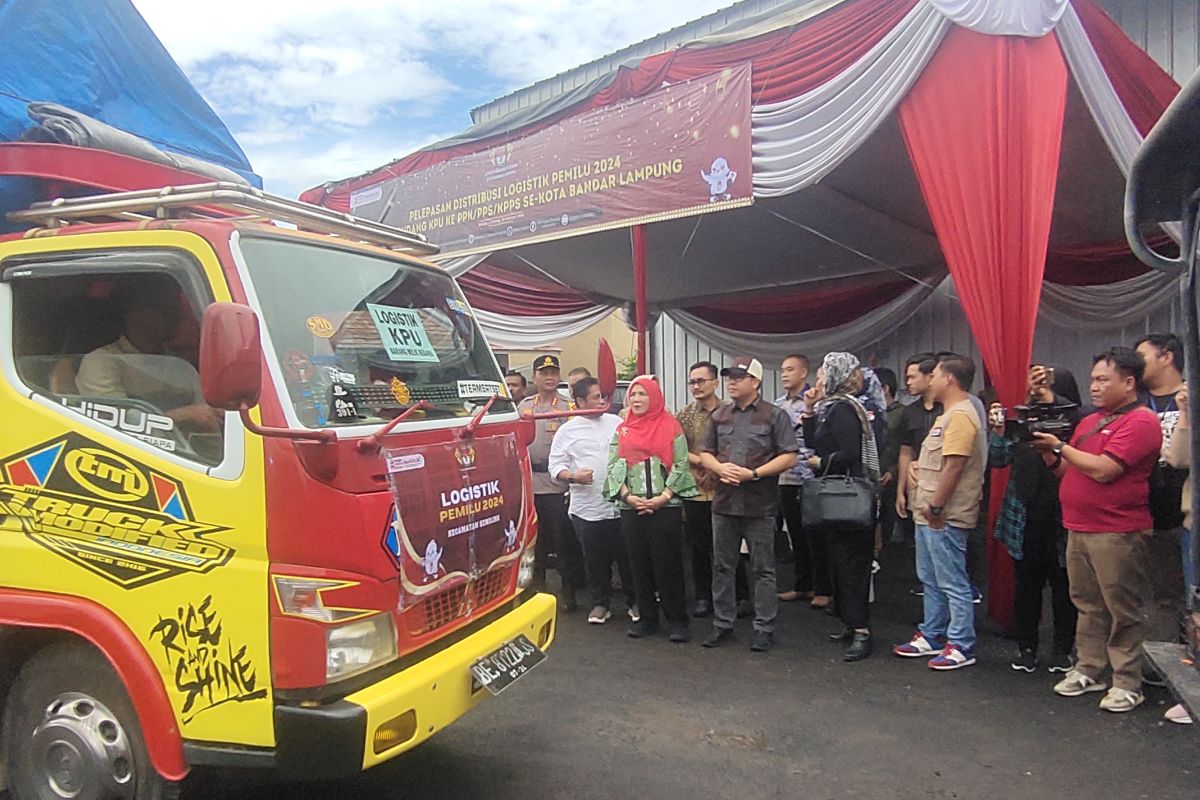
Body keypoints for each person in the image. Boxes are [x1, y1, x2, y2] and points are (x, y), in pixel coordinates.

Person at [1033, 346, 1161, 713]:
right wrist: (1047, 453)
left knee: (1122, 608)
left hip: (1118, 530)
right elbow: (1067, 472)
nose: (1094, 387)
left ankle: (1127, 681)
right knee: (1087, 604)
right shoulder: (1089, 422)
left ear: (1129, 381)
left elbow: (1106, 470)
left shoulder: (1141, 422)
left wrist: (1059, 445)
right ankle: (1089, 668)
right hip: (1079, 526)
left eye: (1104, 380)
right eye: (1092, 380)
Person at [699, 356, 798, 652]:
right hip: (724, 504)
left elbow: (789, 456)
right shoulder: (719, 416)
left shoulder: (774, 415)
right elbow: (705, 452)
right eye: (729, 376)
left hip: (760, 505)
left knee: (763, 569)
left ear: (755, 382)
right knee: (722, 566)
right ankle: (723, 623)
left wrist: (754, 473)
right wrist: (719, 469)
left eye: (739, 377)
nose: (732, 381)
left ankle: (764, 627)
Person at [893, 355, 985, 670]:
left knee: (952, 581)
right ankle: (932, 634)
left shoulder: (960, 415)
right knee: (930, 578)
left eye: (936, 375)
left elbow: (956, 464)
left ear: (949, 379)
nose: (930, 380)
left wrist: (936, 505)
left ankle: (961, 643)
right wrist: (918, 468)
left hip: (943, 514)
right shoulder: (949, 415)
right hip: (928, 512)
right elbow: (939, 460)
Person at [989, 366, 1082, 674]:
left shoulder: (1078, 424)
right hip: (1024, 513)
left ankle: (1061, 650)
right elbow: (998, 459)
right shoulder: (1025, 421)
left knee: (1064, 588)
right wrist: (1003, 432)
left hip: (1063, 515)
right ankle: (1026, 647)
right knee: (1026, 587)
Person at [603, 375, 698, 642]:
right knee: (637, 565)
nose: (636, 400)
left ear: (655, 397)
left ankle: (678, 621)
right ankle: (647, 619)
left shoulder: (671, 427)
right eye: (633, 395)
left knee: (668, 564)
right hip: (632, 507)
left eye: (643, 394)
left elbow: (680, 464)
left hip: (665, 507)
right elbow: (613, 465)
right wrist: (627, 496)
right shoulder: (623, 430)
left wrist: (664, 496)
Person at [800, 354, 880, 662]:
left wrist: (822, 463)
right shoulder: (828, 408)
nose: (818, 379)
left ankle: (862, 630)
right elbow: (813, 443)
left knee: (852, 566)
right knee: (839, 564)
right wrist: (808, 410)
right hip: (834, 498)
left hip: (848, 497)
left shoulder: (845, 409)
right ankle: (850, 622)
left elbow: (848, 453)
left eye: (822, 373)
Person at [76, 277, 221, 433]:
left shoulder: (179, 365)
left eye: (175, 307)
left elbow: (209, 417)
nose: (174, 315)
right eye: (163, 307)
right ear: (132, 311)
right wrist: (185, 415)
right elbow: (116, 426)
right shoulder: (101, 362)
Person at [550, 377, 636, 625]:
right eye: (596, 397)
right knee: (595, 559)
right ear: (579, 401)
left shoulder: (617, 422)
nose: (602, 401)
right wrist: (573, 476)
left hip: (621, 505)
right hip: (587, 508)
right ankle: (600, 604)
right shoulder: (567, 430)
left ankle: (634, 600)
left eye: (603, 396)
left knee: (627, 555)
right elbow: (555, 466)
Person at [676, 361, 749, 618]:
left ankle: (740, 596)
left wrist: (717, 469)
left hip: (725, 488)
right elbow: (677, 449)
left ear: (715, 382)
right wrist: (701, 464)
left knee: (728, 546)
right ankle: (703, 597)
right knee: (698, 546)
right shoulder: (684, 415)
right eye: (692, 382)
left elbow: (740, 447)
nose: (696, 386)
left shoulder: (731, 412)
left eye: (701, 381)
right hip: (696, 489)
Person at [518, 354, 586, 611]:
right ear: (534, 377)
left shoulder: (569, 407)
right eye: (544, 373)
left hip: (558, 484)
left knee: (563, 541)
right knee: (535, 541)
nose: (549, 378)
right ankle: (537, 592)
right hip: (530, 482)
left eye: (554, 373)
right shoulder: (524, 406)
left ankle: (568, 592)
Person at [1134, 334, 1188, 647]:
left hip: (1185, 512)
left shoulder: (1189, 396)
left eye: (1142, 355)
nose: (1135, 362)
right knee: (1154, 595)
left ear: (1166, 357)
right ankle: (1161, 660)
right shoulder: (1135, 402)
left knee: (1183, 594)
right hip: (1145, 513)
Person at [774, 354, 824, 606]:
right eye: (783, 370)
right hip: (785, 477)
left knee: (815, 532)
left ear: (804, 373)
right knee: (795, 532)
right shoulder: (778, 404)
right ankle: (802, 584)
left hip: (811, 476)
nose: (784, 374)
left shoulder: (816, 400)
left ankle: (822, 587)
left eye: (790, 369)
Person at [1163, 382, 1196, 725]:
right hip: (1193, 525)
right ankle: (1195, 692)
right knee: (1196, 610)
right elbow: (1176, 458)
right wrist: (1186, 412)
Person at [875, 367, 905, 548]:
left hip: (893, 474)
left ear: (885, 388)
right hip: (872, 473)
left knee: (890, 521)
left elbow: (906, 447)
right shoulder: (870, 412)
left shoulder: (902, 413)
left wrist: (893, 471)